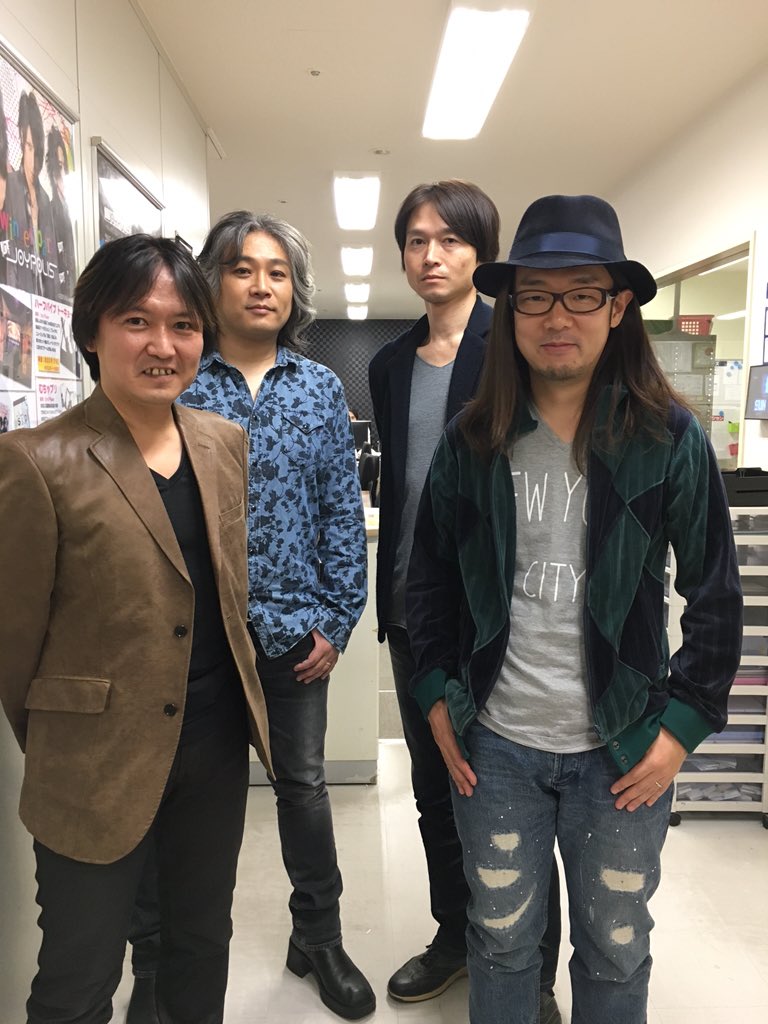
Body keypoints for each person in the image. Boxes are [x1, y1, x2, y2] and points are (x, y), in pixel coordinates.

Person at [406, 193, 743, 1024]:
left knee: (615, 949)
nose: (558, 316)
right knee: (501, 944)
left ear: (618, 307)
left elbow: (716, 595)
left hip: (621, 749)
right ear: (511, 309)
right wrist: (439, 698)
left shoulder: (668, 439)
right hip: (495, 748)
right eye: (536, 296)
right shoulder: (473, 440)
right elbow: (429, 581)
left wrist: (681, 730)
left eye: (583, 293)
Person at [0, 233, 272, 1024]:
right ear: (92, 331)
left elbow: (226, 591)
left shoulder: (222, 443)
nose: (163, 345)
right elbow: (14, 645)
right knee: (78, 974)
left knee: (199, 944)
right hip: (93, 756)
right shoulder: (36, 460)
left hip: (213, 744)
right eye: (137, 321)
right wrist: (69, 728)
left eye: (184, 325)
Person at [128, 211, 373, 1022]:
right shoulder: (178, 379)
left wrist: (336, 619)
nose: (262, 285)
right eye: (242, 269)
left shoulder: (319, 388)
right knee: (173, 797)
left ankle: (319, 940)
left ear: (294, 289)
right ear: (213, 282)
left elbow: (340, 513)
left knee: (303, 789)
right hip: (193, 639)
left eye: (277, 271)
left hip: (292, 635)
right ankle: (155, 964)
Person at [368, 180, 562, 1023]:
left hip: (502, 621)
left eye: (450, 239)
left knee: (520, 803)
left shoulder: (514, 347)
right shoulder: (389, 364)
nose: (431, 255)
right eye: (416, 240)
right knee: (434, 792)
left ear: (482, 254)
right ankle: (457, 935)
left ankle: (533, 972)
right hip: (415, 616)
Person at [5, 91, 58, 297]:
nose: (33, 160)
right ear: (20, 139)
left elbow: (51, 263)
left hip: (44, 307)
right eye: (28, 147)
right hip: (15, 304)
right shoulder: (10, 186)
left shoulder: (45, 200)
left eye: (37, 150)